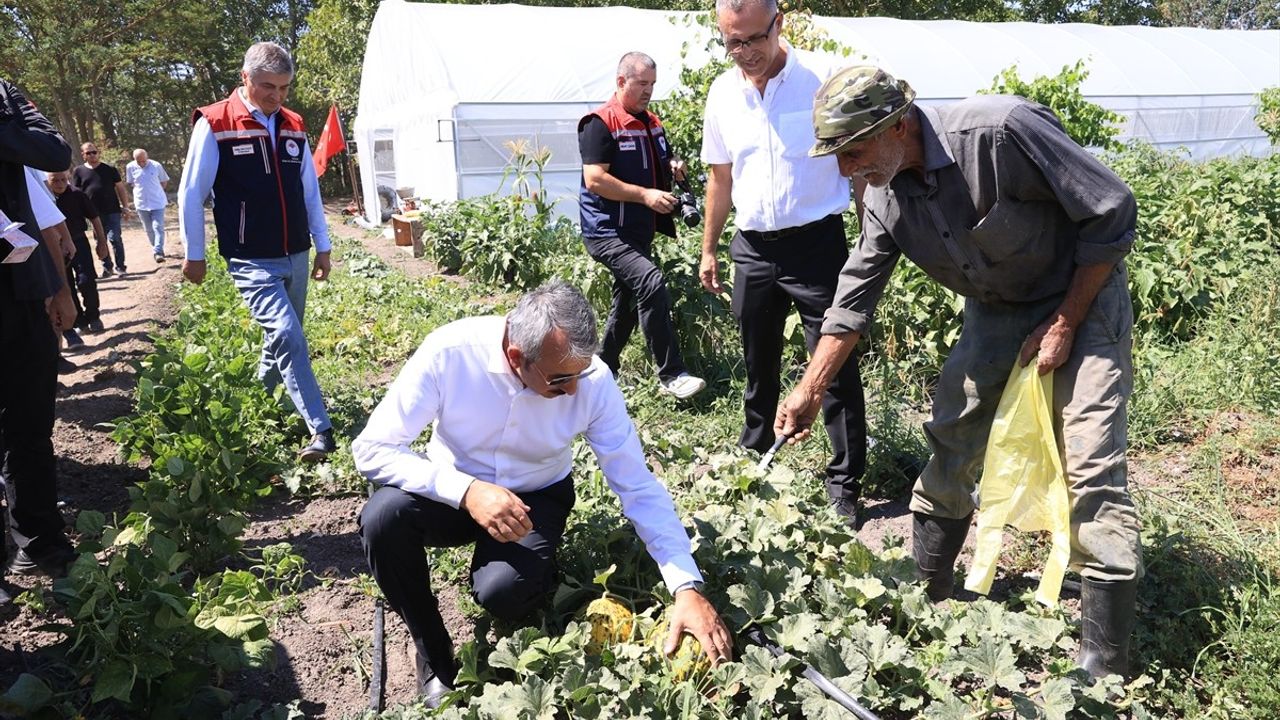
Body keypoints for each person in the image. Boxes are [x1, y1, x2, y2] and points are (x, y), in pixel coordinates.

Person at [775, 65, 1142, 680]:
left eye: (854, 152)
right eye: (837, 158)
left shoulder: (1001, 131)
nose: (846, 172)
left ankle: (1105, 666)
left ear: (897, 126)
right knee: (951, 435)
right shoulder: (883, 189)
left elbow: (1111, 209)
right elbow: (854, 296)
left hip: (1083, 294)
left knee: (1090, 461)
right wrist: (810, 388)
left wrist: (1066, 322)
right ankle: (929, 598)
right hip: (995, 310)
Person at [352, 280, 734, 706]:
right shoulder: (450, 352)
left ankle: (532, 567)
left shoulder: (593, 381)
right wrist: (467, 491)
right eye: (560, 380)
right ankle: (434, 655)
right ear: (517, 358)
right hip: (452, 490)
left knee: (506, 593)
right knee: (383, 518)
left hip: (536, 496)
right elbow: (371, 449)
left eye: (580, 374)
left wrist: (686, 586)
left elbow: (638, 484)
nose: (572, 390)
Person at [698, 0, 865, 525]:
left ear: (779, 24)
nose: (744, 52)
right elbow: (720, 179)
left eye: (753, 39)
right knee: (757, 357)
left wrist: (870, 238)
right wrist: (709, 247)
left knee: (833, 365)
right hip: (753, 246)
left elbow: (857, 164)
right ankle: (755, 458)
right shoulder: (723, 93)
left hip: (816, 245)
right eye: (733, 42)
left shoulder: (823, 78)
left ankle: (844, 481)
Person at [177, 41, 335, 462]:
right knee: (287, 334)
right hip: (249, 256)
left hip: (295, 251)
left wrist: (323, 245)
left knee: (282, 339)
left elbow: (309, 191)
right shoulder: (215, 123)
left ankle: (262, 404)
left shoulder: (293, 124)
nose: (276, 97)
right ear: (245, 77)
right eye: (268, 86)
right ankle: (321, 429)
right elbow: (192, 193)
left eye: (284, 88)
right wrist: (195, 254)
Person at [578, 51, 705, 400]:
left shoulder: (652, 122)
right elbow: (595, 179)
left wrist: (674, 167)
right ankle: (672, 374)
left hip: (638, 231)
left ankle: (601, 372)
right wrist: (646, 196)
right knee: (650, 282)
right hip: (605, 230)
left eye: (652, 84)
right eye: (641, 84)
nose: (649, 90)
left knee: (628, 302)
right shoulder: (599, 123)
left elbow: (657, 163)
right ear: (621, 82)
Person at [0, 77, 78, 601]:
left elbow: (52, 150)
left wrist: (55, 286)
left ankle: (39, 540)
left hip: (18, 284)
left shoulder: (4, 95)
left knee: (30, 423)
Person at [46, 170, 108, 335]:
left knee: (86, 279)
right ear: (47, 180)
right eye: (55, 180)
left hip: (78, 242)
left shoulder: (77, 194)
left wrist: (102, 242)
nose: (60, 184)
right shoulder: (44, 199)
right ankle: (79, 321)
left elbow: (94, 217)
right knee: (67, 285)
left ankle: (94, 317)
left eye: (63, 179)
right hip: (55, 247)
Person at [71, 141, 131, 276]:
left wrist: (126, 207)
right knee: (100, 240)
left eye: (94, 152)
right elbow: (76, 193)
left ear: (98, 153)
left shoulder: (109, 169)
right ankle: (107, 267)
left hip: (112, 210)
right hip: (92, 213)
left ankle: (121, 267)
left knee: (115, 237)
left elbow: (120, 188)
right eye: (88, 153)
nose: (92, 155)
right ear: (83, 155)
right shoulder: (78, 171)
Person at [125, 148, 170, 263]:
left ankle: (158, 251)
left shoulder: (156, 165)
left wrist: (156, 191)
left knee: (157, 227)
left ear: (147, 157)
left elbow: (164, 181)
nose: (142, 163)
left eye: (144, 161)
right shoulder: (130, 167)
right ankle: (156, 247)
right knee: (149, 229)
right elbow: (131, 183)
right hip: (141, 203)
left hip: (157, 202)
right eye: (139, 161)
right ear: (134, 159)